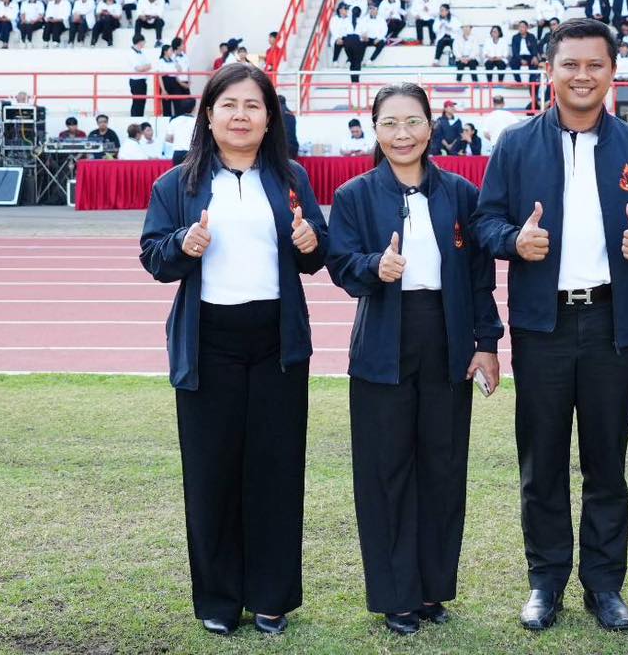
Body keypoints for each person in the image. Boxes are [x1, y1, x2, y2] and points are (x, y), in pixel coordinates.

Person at [472, 18, 628, 633]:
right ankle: (545, 582)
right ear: (549, 70)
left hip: (612, 323)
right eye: (570, 64)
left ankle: (604, 584)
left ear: (612, 71)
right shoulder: (516, 144)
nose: (582, 75)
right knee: (541, 461)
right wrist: (515, 241)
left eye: (595, 64)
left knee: (606, 461)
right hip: (542, 324)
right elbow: (485, 223)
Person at [139, 62, 328, 638]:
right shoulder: (178, 184)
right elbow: (154, 258)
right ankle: (219, 599)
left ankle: (271, 597)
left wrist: (308, 242)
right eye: (229, 105)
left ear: (270, 118)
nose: (240, 116)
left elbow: (317, 253)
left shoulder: (291, 178)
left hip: (277, 344)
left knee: (276, 471)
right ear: (208, 115)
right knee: (211, 473)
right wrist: (183, 243)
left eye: (253, 106)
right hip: (209, 345)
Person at [326, 83, 502, 636]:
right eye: (389, 124)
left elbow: (479, 277)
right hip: (383, 344)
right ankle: (395, 597)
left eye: (412, 122)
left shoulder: (461, 193)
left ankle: (431, 590)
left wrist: (487, 343)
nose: (402, 134)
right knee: (386, 471)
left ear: (431, 126)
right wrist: (374, 267)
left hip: (447, 341)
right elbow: (340, 263)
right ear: (375, 129)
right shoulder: (355, 195)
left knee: (442, 468)